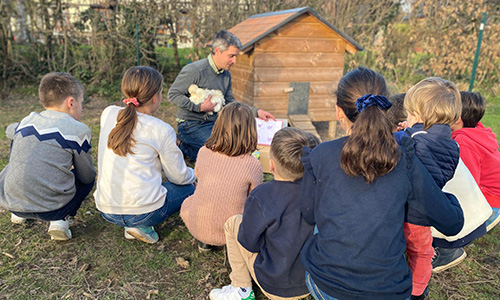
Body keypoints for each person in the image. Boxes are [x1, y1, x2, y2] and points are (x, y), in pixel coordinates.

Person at [299, 67, 464, 300]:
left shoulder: (320, 155)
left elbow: (308, 214)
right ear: (385, 108)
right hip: (388, 290)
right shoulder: (404, 157)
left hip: (327, 285)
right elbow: (452, 223)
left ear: (339, 112)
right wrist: (444, 196)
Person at [209, 127, 320, 300]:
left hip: (275, 286)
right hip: (310, 282)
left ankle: (241, 289)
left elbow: (249, 244)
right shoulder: (321, 192)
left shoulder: (261, 196)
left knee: (233, 223)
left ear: (272, 164)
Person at [94, 66, 196, 244]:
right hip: (145, 212)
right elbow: (178, 177)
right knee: (189, 187)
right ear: (155, 97)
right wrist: (194, 175)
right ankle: (140, 226)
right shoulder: (161, 129)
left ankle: (131, 226)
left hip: (107, 209)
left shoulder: (108, 113)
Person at [396, 78, 485, 276]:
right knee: (421, 253)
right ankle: (418, 290)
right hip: (428, 213)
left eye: (409, 114)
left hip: (406, 209)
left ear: (418, 115)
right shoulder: (452, 144)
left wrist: (404, 133)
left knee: (399, 244)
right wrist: (411, 130)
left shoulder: (413, 139)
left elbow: (402, 146)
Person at [0, 72, 96, 241]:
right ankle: (61, 220)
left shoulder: (26, 121)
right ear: (71, 102)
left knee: (16, 160)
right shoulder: (78, 130)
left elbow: (10, 130)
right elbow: (86, 175)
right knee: (88, 179)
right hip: (53, 208)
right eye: (82, 103)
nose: (82, 107)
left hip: (10, 201)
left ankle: (19, 214)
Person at [168, 30, 275, 161]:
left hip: (215, 124)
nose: (235, 61)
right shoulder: (195, 70)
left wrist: (256, 112)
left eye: (236, 56)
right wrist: (200, 107)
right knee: (219, 154)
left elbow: (230, 103)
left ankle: (187, 148)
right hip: (191, 124)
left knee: (232, 148)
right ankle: (183, 143)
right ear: (217, 51)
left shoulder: (225, 75)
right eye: (231, 56)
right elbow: (173, 94)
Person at [180, 102, 262, 251]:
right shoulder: (253, 164)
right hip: (230, 230)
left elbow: (198, 176)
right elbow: (254, 198)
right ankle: (229, 245)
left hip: (197, 224)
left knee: (189, 201)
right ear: (250, 130)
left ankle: (204, 242)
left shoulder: (204, 151)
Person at [389, 92, 431, 299]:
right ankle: (417, 291)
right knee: (421, 252)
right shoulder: (430, 144)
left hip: (394, 213)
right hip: (418, 214)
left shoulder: (387, 146)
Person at [451, 91, 500, 231]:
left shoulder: (463, 142)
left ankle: (489, 214)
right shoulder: (475, 129)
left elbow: (469, 182)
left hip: (493, 196)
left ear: (456, 119)